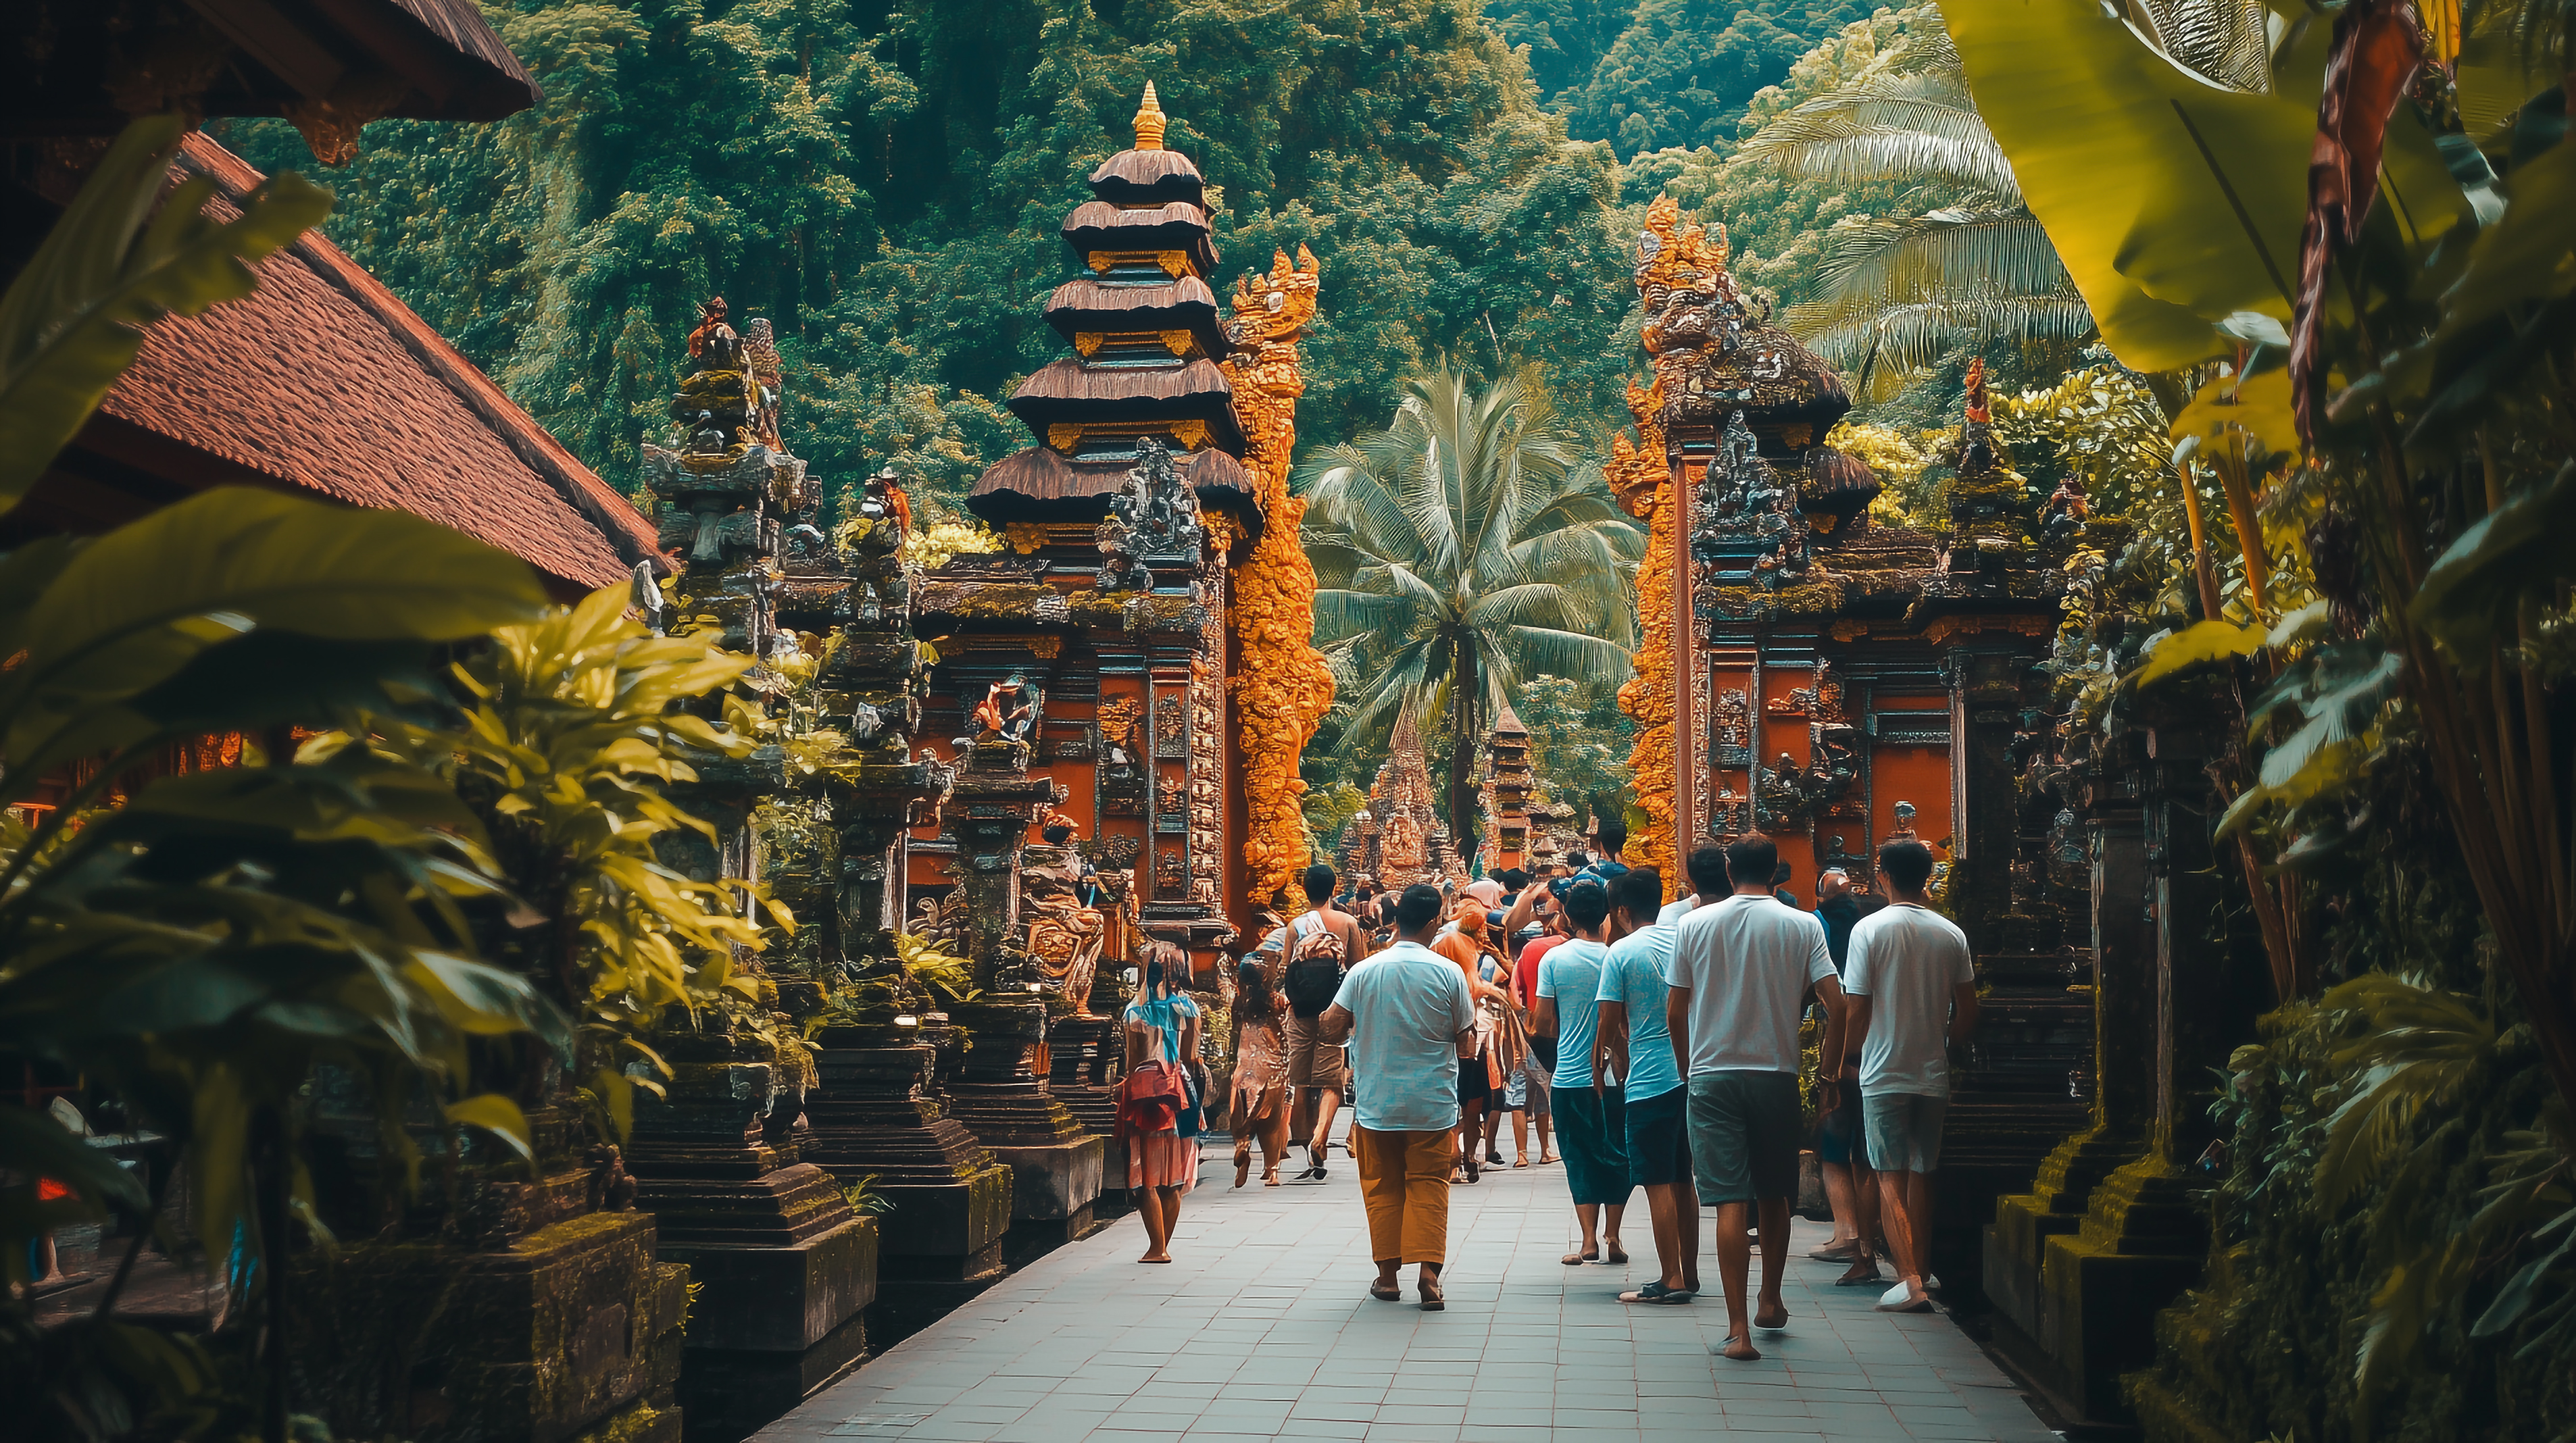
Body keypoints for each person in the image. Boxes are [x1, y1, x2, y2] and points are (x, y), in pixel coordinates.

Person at [1666, 836, 1846, 1361]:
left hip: (1713, 1074)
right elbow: (1838, 1004)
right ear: (1776, 873)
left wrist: (1686, 1064)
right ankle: (1770, 1298)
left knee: (1728, 1199)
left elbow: (1677, 1010)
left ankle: (1738, 1329)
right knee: (1775, 1194)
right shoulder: (1803, 924)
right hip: (1776, 1073)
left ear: (1727, 868)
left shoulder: (1695, 924)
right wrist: (1830, 1074)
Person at [1318, 883, 1476, 1311]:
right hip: (1432, 1102)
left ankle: (1388, 1277)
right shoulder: (1449, 973)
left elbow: (1331, 1028)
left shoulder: (1364, 971)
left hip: (1377, 1101)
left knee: (1382, 1186)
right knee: (1429, 1184)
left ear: (1396, 919)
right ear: (1432, 922)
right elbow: (1467, 1044)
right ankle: (1429, 1275)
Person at [1841, 839, 1979, 1314]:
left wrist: (1845, 1056)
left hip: (1883, 1069)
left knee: (1888, 1175)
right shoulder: (1950, 934)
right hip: (1930, 1070)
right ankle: (1919, 1267)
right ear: (1927, 877)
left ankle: (1910, 1279)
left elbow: (1856, 1008)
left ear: (1882, 875)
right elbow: (1968, 1011)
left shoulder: (1870, 930)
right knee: (1924, 1170)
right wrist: (1946, 1045)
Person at [1599, 867, 1698, 1305]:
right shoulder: (1684, 940)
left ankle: (1671, 1277)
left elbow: (1608, 1022)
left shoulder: (1622, 952)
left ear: (1621, 911)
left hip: (1650, 1078)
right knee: (1683, 1179)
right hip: (1691, 1071)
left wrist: (1607, 1060)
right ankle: (1690, 1273)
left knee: (1658, 1180)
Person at [1535, 880, 1631, 1266]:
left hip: (1570, 1076)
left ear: (1568, 917)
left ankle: (1588, 1240)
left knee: (1579, 1156)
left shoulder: (1554, 960)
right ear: (1607, 915)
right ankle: (1614, 1235)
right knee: (1617, 1154)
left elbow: (1541, 1023)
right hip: (1617, 1075)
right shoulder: (1616, 957)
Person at [1278, 864, 1369, 1182]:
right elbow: (1359, 969)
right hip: (1335, 1008)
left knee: (1301, 1081)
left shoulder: (1295, 926)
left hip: (1301, 1010)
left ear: (1305, 890)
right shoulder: (1348, 923)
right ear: (1334, 888)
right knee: (1331, 1080)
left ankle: (1307, 1150)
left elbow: (1286, 970)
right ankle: (1321, 1135)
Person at [1810, 867, 1881, 1280]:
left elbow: (1841, 1003)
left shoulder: (1817, 925)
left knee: (1835, 1142)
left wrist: (1832, 1066)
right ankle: (1882, 1249)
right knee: (1869, 1155)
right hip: (1884, 1046)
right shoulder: (1870, 924)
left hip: (1843, 1044)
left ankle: (1848, 1232)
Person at [1122, 945, 1204, 1263]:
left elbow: (1132, 1062)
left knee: (1148, 1178)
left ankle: (1157, 1247)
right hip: (1180, 1091)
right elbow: (1191, 1058)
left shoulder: (1135, 1011)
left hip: (1146, 1095)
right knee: (1173, 1178)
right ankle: (1161, 1246)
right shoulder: (1189, 1008)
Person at [1432, 899, 1519, 1182]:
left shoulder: (1445, 944)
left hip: (1455, 1037)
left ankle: (1464, 1157)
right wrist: (1494, 991)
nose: (1485, 934)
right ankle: (1461, 1157)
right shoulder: (1459, 946)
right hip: (1466, 1037)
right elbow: (1472, 987)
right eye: (1481, 928)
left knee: (1465, 1099)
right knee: (1466, 1100)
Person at [1230, 953, 1293, 1187]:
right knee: (1272, 1123)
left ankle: (1243, 1146)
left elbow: (1236, 1028)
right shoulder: (1279, 1001)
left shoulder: (1240, 1003)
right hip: (1273, 1065)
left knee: (1243, 1114)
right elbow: (1286, 1031)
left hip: (1246, 1063)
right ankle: (1273, 1171)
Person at [1512, 905, 1565, 1166]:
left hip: (1526, 1027)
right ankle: (1545, 1150)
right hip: (1556, 1029)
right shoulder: (1563, 950)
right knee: (1546, 1090)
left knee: (1521, 1093)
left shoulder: (1527, 952)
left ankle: (1522, 1155)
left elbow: (1516, 990)